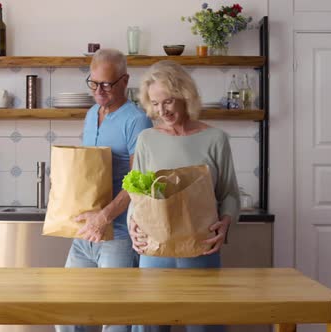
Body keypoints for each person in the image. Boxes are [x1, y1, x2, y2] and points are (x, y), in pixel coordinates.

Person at [128, 60, 240, 332]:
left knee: (203, 325)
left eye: (167, 101)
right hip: (155, 249)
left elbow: (229, 194)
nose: (161, 110)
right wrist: (133, 225)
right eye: (155, 104)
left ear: (185, 96)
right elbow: (137, 194)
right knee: (150, 326)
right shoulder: (146, 139)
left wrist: (225, 224)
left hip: (201, 247)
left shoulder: (216, 138)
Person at [55, 49, 153, 332]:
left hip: (119, 236)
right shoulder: (91, 114)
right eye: (93, 83)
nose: (98, 91)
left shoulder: (137, 120)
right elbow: (89, 169)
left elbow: (139, 180)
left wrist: (105, 217)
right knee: (68, 317)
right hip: (84, 233)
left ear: (125, 81)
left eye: (106, 85)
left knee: (115, 321)